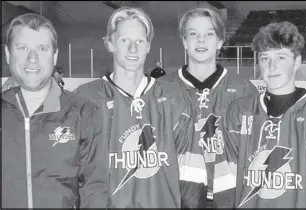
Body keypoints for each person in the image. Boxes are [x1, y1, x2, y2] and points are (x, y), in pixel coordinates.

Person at [73, 7, 206, 208]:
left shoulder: (175, 98)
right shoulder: (86, 99)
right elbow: (71, 173)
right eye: (125, 40)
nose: (133, 49)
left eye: (140, 41)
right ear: (110, 43)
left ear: (148, 46)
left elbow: (192, 176)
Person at [213, 21, 306, 208]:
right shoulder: (238, 112)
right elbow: (225, 184)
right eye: (265, 58)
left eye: (281, 57)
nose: (272, 66)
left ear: (297, 61)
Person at [2, 13, 108, 208]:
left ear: (54, 55)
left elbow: (95, 190)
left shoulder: (84, 113)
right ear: (8, 54)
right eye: (23, 48)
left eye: (42, 49)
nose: (32, 58)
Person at [159, 7, 259, 208]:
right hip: (174, 200)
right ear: (184, 41)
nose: (201, 40)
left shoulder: (245, 90)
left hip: (229, 201)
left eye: (209, 34)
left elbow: (254, 153)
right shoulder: (160, 90)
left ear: (220, 41)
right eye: (193, 34)